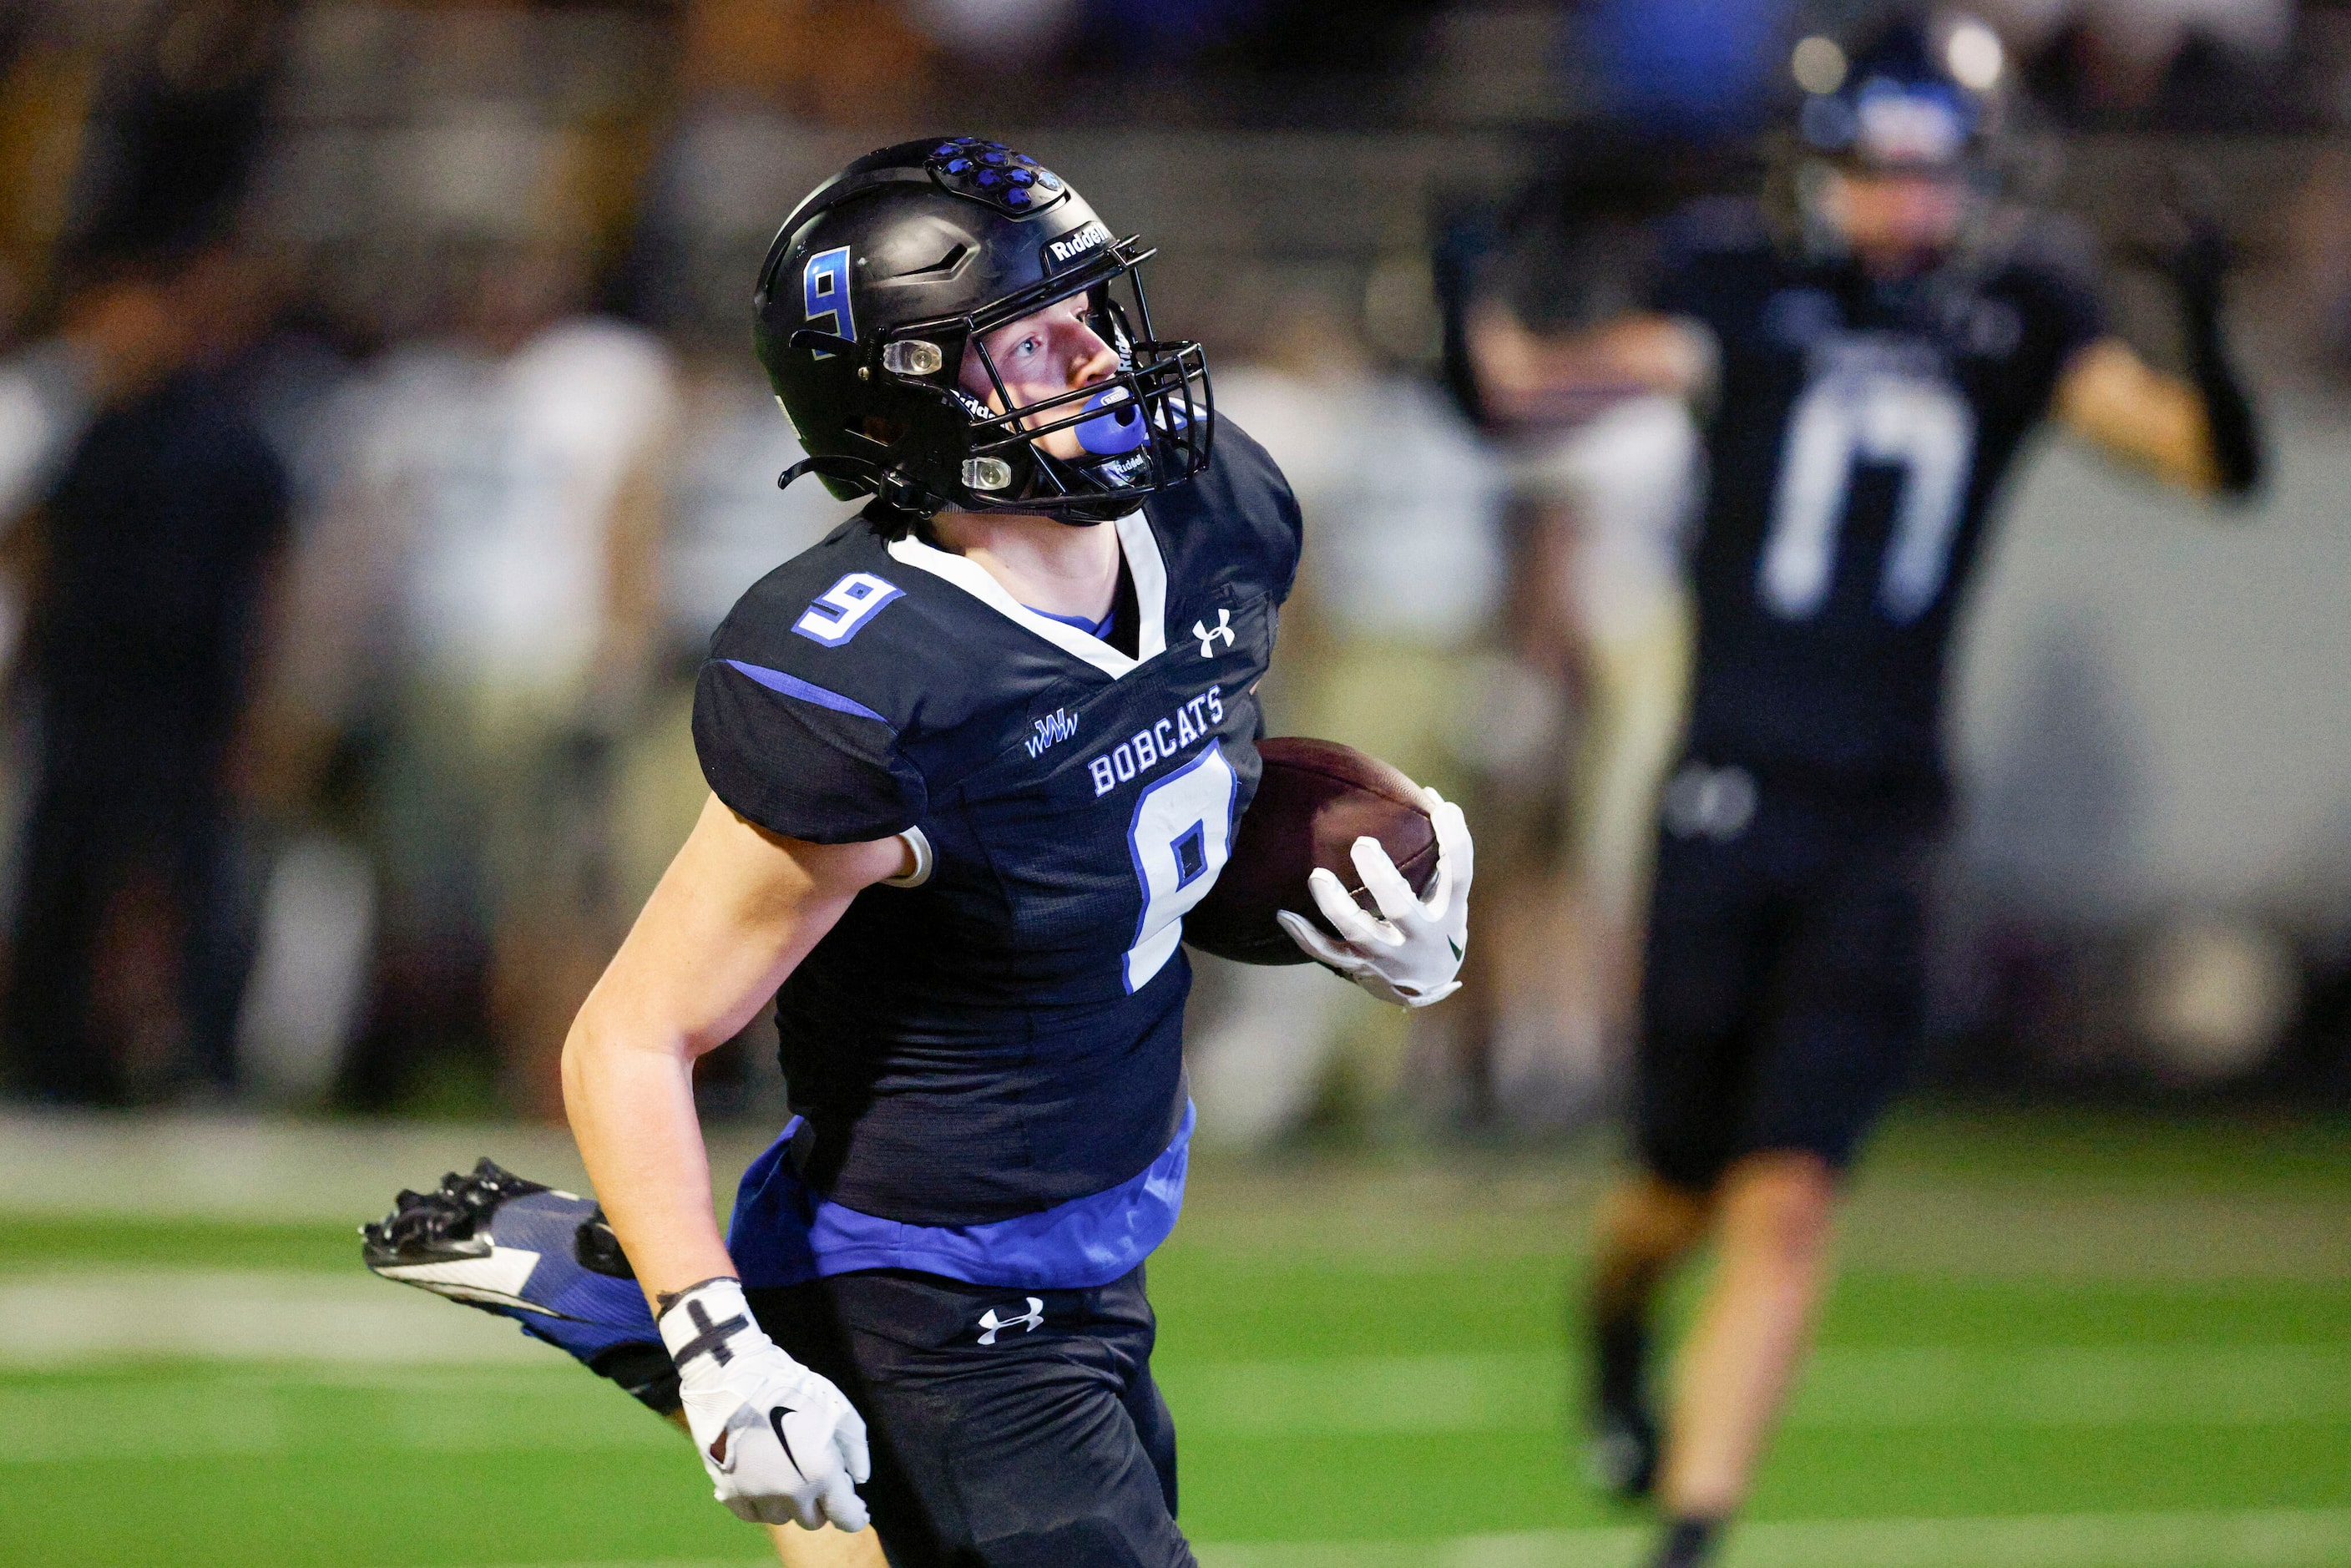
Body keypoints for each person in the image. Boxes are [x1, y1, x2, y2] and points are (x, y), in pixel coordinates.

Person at [366, 137, 1474, 1568]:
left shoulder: (1213, 517)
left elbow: (1112, 819)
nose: (1093, 350)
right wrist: (720, 1354)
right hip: (937, 1280)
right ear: (904, 405)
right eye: (1030, 337)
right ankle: (712, 1310)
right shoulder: (871, 676)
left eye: (1090, 306)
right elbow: (630, 1035)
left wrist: (1374, 888)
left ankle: (667, 1306)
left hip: (1095, 1229)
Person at [1441, 17, 2258, 1568]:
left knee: (1792, 1193)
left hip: (1884, 813)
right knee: (1671, 1190)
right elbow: (1514, 397)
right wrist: (1469, 293)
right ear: (1816, 174)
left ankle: (1689, 1535)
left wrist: (2206, 329)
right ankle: (1613, 1314)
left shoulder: (2025, 311)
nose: (1905, 203)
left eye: (1930, 170)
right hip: (1724, 796)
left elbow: (2207, 465)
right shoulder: (1734, 285)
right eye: (1877, 170)